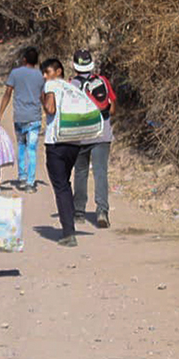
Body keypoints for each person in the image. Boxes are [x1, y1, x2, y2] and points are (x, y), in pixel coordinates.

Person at [70, 49, 117, 228]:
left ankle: (79, 212)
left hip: (80, 136)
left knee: (80, 173)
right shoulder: (102, 81)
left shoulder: (70, 85)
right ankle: (102, 211)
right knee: (100, 173)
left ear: (74, 66)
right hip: (102, 134)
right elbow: (112, 108)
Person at [41, 57, 82, 247]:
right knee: (65, 183)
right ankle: (70, 222)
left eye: (47, 72)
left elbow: (50, 109)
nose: (44, 76)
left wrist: (44, 97)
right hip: (74, 141)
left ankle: (68, 232)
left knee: (61, 187)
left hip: (56, 142)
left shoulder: (52, 86)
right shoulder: (72, 87)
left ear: (58, 71)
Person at [0, 46, 45, 193]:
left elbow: (7, 94)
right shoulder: (40, 76)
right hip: (35, 118)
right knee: (32, 149)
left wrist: (0, 113)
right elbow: (43, 97)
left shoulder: (15, 73)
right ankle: (31, 183)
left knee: (21, 146)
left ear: (24, 59)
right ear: (37, 61)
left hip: (19, 117)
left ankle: (22, 177)